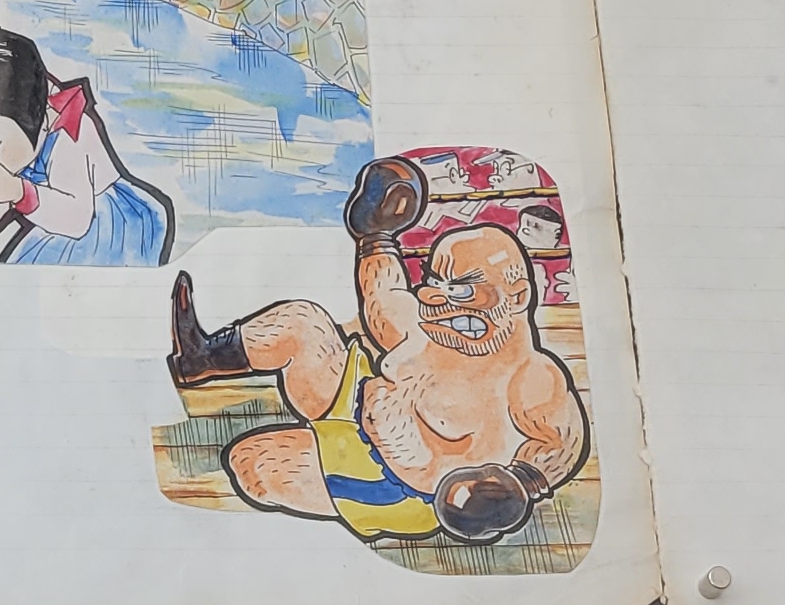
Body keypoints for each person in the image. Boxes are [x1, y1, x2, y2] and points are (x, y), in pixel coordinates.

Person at [168, 148, 588, 547]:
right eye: (435, 282)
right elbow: (382, 302)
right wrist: (376, 236)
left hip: (392, 482)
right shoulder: (429, 323)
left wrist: (515, 484)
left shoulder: (531, 377)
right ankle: (202, 360)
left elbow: (561, 444)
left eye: (461, 290)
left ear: (517, 297)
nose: (436, 298)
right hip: (357, 402)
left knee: (252, 464)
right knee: (301, 321)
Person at [0, 23, 174, 266]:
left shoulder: (69, 132)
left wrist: (16, 190)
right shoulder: (12, 151)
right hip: (53, 219)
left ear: (40, 120)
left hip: (108, 227)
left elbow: (77, 221)